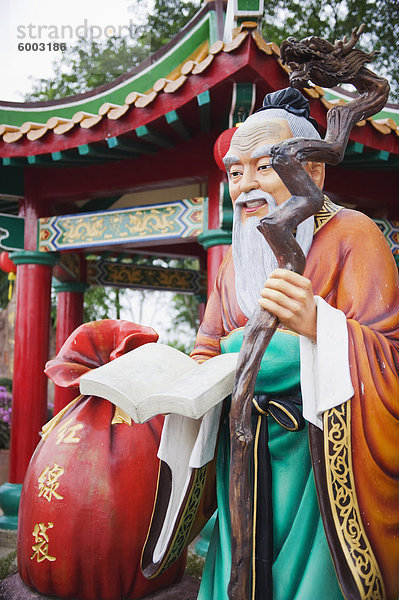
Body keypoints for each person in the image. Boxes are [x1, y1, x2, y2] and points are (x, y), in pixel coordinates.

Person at [143, 88, 399, 600]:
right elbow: (209, 345)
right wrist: (188, 376)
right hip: (240, 445)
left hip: (319, 456)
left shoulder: (354, 235)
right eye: (236, 172)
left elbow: (389, 355)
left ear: (315, 174)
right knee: (238, 562)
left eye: (265, 167)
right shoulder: (235, 261)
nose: (245, 187)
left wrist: (317, 325)